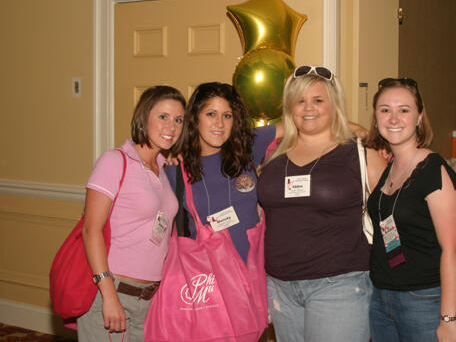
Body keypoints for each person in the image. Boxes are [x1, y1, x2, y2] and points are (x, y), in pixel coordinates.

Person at [257, 66, 384, 342]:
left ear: (334, 104)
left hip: (339, 285)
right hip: (280, 288)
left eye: (318, 100)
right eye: (299, 101)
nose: (308, 108)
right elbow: (229, 138)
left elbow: (399, 200)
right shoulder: (273, 155)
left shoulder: (359, 153)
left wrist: (450, 199)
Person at [78, 86, 186, 342]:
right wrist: (109, 296)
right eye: (163, 117)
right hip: (113, 292)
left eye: (178, 120)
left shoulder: (163, 169)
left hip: (150, 300)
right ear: (143, 116)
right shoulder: (115, 161)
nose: (171, 126)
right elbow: (90, 230)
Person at [366, 77, 456, 342]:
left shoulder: (433, 170)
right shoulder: (390, 166)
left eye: (404, 110)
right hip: (381, 298)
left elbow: (453, 250)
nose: (394, 118)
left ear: (419, 117)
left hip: (426, 299)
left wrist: (448, 319)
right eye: (385, 110)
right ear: (376, 118)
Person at [165, 82, 280, 262]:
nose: (219, 123)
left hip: (254, 273)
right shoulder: (176, 168)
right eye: (211, 114)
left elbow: (297, 123)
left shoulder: (247, 146)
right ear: (195, 117)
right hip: (208, 278)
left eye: (227, 116)